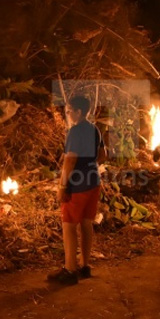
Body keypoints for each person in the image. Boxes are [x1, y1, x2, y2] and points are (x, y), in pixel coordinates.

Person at [49, 96, 106, 285]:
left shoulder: (75, 131)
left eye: (69, 111)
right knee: (86, 224)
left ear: (79, 112)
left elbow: (70, 160)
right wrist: (89, 165)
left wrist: (62, 185)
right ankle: (85, 266)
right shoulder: (94, 129)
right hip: (93, 181)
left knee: (69, 226)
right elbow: (103, 155)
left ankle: (70, 270)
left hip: (77, 185)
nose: (68, 114)